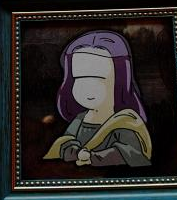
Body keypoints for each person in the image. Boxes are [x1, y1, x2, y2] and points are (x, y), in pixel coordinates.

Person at [44, 30, 152, 168]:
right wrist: (74, 152)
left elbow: (131, 153)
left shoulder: (125, 122)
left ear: (120, 80)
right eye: (79, 78)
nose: (88, 86)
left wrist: (93, 157)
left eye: (98, 78)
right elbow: (66, 140)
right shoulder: (80, 119)